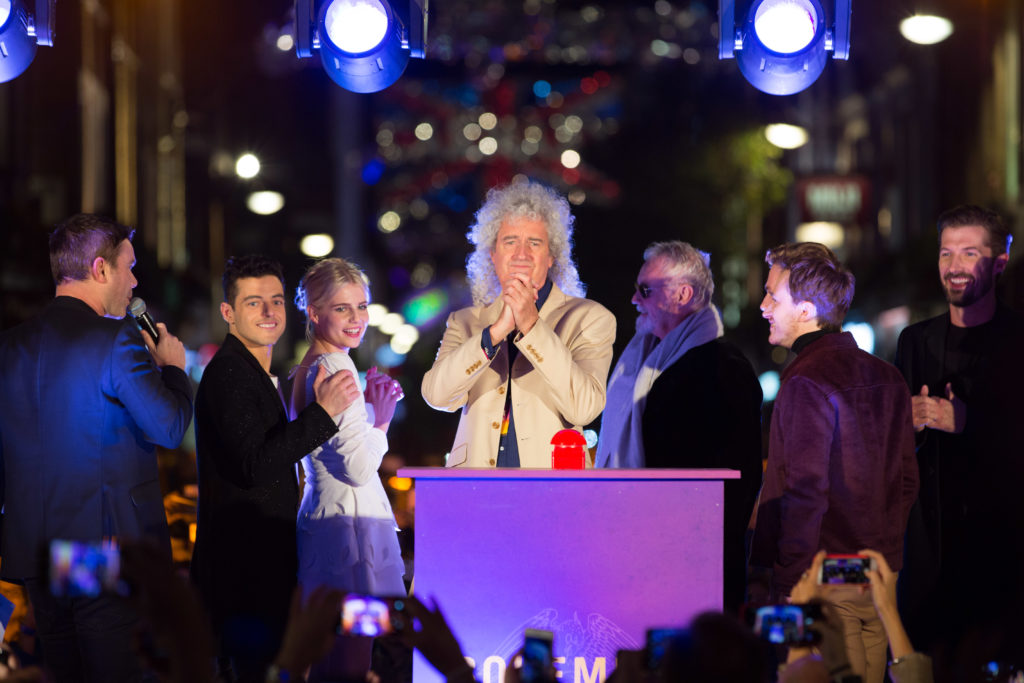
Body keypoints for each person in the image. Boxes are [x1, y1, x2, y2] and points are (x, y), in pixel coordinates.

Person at [0, 213, 193, 682]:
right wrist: (173, 370)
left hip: (34, 550)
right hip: (94, 548)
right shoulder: (114, 339)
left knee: (63, 671)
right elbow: (168, 428)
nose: (135, 279)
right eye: (128, 266)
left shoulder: (10, 345)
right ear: (100, 269)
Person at [749, 242, 918, 683]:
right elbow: (905, 481)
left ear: (806, 310)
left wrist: (791, 585)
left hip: (823, 581)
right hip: (878, 579)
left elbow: (806, 492)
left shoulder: (807, 380)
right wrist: (888, 563)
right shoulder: (888, 375)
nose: (763, 305)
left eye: (773, 296)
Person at [190, 254, 359, 682]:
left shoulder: (254, 371)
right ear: (228, 312)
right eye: (253, 303)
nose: (268, 312)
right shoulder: (229, 374)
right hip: (243, 574)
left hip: (261, 570)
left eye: (276, 300)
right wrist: (323, 415)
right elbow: (255, 464)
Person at [595, 241, 762, 613]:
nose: (635, 300)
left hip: (696, 572)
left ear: (683, 294)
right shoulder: (647, 360)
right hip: (642, 554)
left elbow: (735, 481)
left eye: (645, 290)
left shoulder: (724, 367)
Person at [893, 205, 1024, 661]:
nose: (954, 267)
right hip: (929, 556)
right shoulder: (914, 340)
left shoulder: (1017, 341)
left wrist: (969, 423)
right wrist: (902, 424)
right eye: (946, 253)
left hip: (1001, 557)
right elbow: (893, 450)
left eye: (969, 253)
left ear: (999, 262)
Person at [421, 179, 616, 468]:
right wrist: (494, 334)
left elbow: (584, 409)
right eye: (510, 241)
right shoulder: (464, 321)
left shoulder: (590, 318)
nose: (521, 254)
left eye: (534, 243)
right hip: (476, 490)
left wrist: (532, 325)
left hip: (553, 492)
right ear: (493, 255)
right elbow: (437, 396)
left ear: (551, 257)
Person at [289, 258, 406, 680]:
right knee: (353, 663)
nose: (357, 319)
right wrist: (384, 419)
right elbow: (357, 466)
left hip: (328, 529)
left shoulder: (309, 364)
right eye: (342, 308)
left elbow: (332, 446)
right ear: (314, 312)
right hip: (352, 543)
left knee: (330, 658)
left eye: (362, 306)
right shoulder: (336, 367)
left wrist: (371, 408)